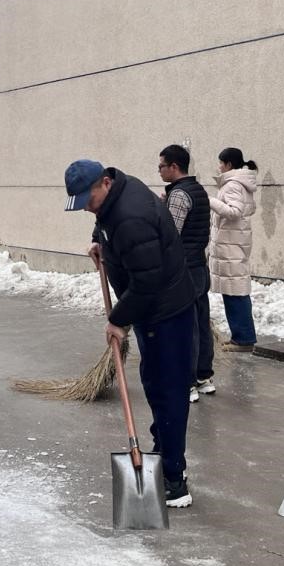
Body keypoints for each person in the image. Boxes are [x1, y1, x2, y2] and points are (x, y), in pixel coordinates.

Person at [64, 158, 197, 508]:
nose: (87, 208)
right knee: (155, 384)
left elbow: (147, 282)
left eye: (89, 200)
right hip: (152, 311)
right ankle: (163, 450)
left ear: (105, 183)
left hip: (165, 312)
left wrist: (117, 320)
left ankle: (174, 479)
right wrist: (99, 241)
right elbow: (104, 221)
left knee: (168, 391)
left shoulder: (131, 217)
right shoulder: (118, 194)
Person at [158, 144, 214, 403]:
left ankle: (188, 382)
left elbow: (171, 233)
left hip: (185, 269)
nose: (159, 171)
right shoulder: (198, 190)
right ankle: (204, 377)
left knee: (186, 326)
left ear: (174, 166)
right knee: (202, 322)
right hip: (200, 266)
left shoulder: (179, 194)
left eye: (161, 166)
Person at [209, 147, 259, 350]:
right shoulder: (241, 184)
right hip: (234, 242)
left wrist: (211, 201)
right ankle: (240, 337)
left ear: (229, 164)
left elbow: (235, 212)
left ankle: (244, 339)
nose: (219, 167)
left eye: (221, 163)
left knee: (235, 293)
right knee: (234, 291)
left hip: (231, 245)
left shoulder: (232, 185)